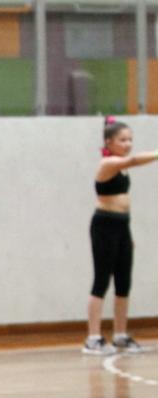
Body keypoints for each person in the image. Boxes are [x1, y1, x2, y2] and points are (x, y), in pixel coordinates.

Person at [85, 117, 158, 355]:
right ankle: (93, 338)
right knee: (101, 281)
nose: (127, 144)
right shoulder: (109, 163)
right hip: (104, 226)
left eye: (130, 140)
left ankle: (120, 335)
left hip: (121, 226)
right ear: (109, 142)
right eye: (122, 139)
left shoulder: (121, 165)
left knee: (123, 281)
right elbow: (135, 160)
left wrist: (128, 235)